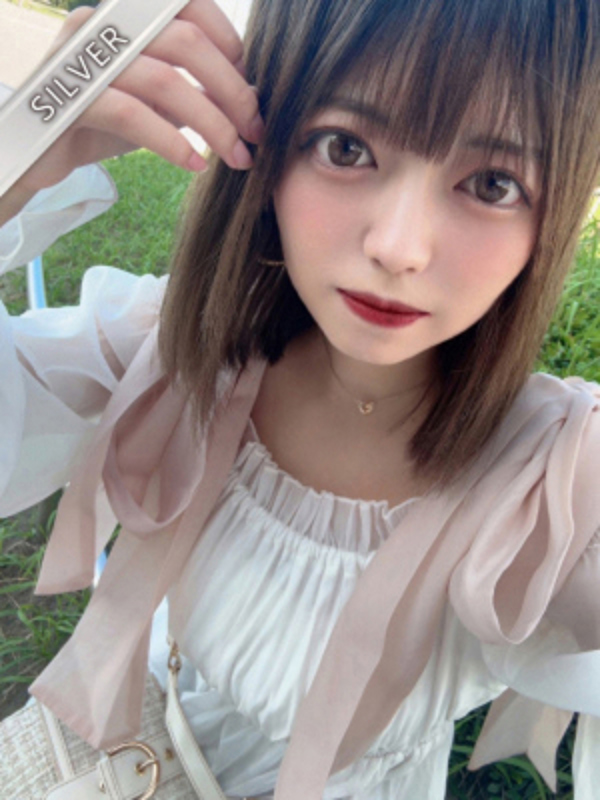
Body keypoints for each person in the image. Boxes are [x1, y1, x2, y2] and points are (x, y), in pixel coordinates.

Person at [1, 0, 600, 798]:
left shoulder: (557, 484)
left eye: (492, 183)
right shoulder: (175, 354)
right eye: (345, 147)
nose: (398, 247)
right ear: (267, 143)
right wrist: (15, 152)